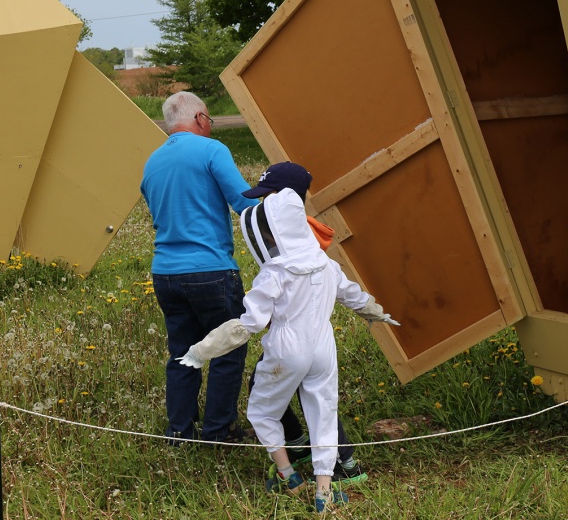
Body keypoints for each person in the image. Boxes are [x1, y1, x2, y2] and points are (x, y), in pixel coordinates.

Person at [177, 188, 399, 513]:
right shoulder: (325, 263)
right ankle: (324, 492)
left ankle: (288, 477)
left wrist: (200, 351)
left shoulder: (274, 273)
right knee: (324, 412)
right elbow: (353, 295)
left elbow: (246, 325)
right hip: (323, 346)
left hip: (286, 348)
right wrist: (376, 311)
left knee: (263, 411)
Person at [140, 91, 259, 442]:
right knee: (228, 347)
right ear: (201, 119)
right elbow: (244, 203)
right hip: (210, 270)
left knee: (182, 352)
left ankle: (180, 430)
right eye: (210, 120)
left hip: (165, 273)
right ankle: (220, 430)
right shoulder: (212, 150)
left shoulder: (152, 161)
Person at [242, 161, 366, 485]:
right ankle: (333, 459)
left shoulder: (297, 233)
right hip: (309, 332)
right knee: (316, 394)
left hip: (296, 332)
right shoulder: (296, 227)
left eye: (265, 195)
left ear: (284, 197)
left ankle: (330, 458)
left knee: (304, 392)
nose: (260, 203)